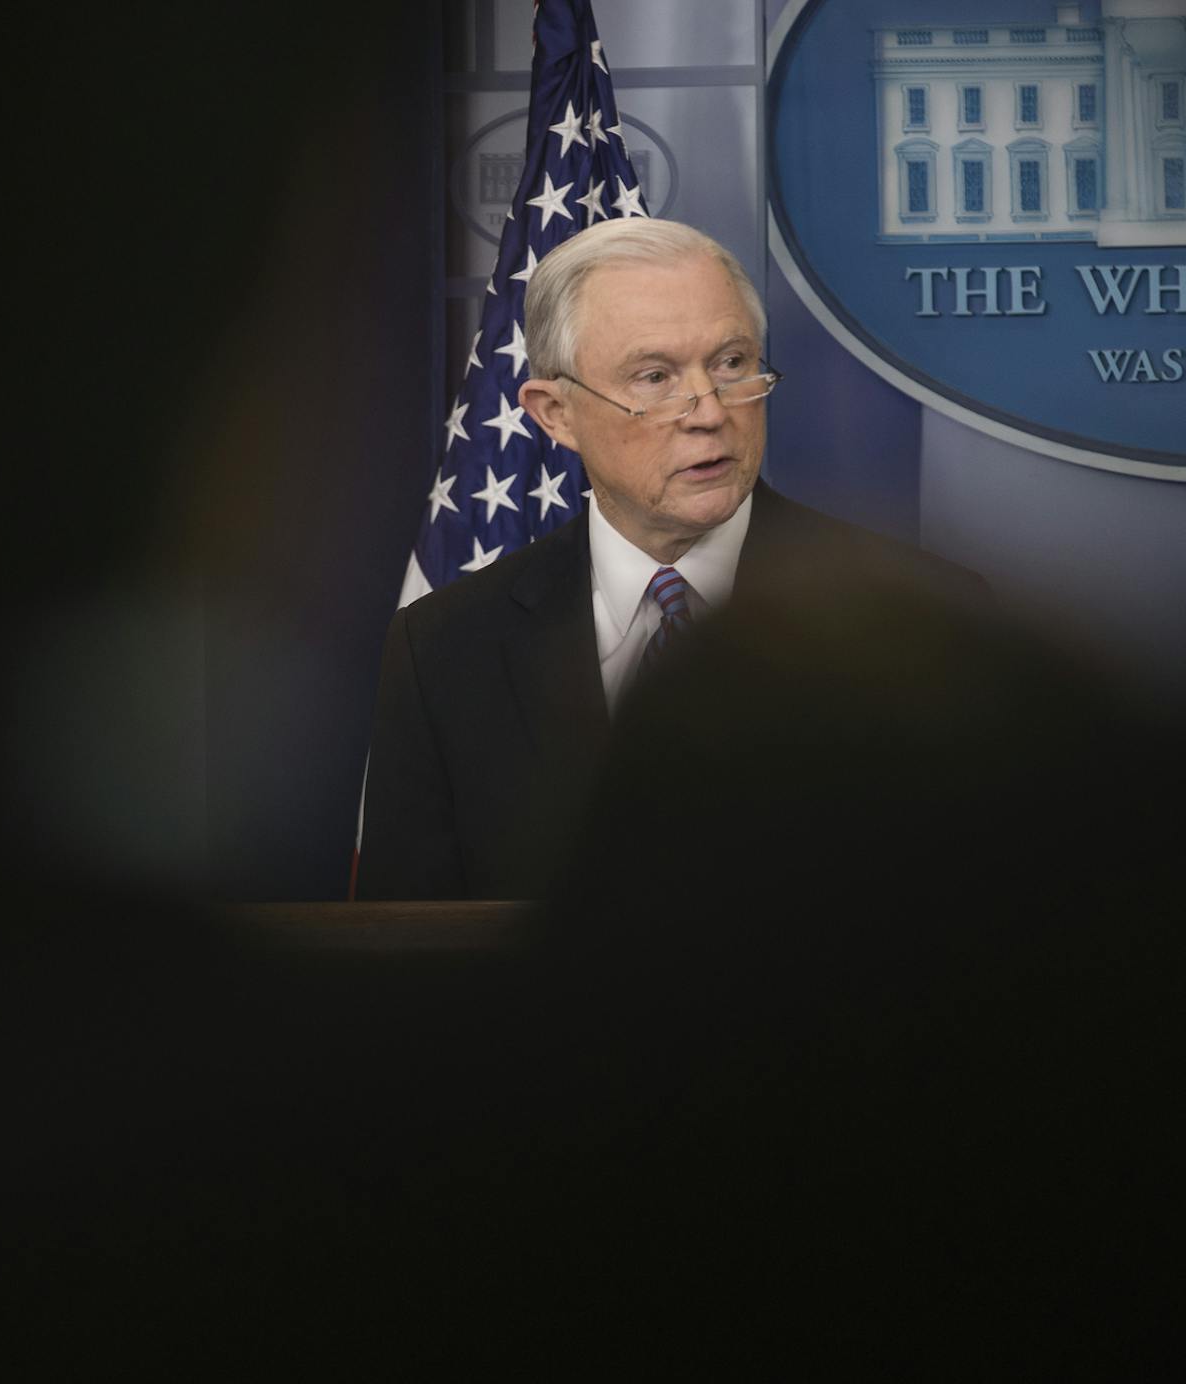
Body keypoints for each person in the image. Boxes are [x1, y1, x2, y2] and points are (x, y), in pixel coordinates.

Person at [358, 218, 982, 900]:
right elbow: (409, 953)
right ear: (555, 414)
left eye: (731, 363)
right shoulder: (443, 651)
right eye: (655, 376)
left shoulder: (923, 623)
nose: (709, 412)